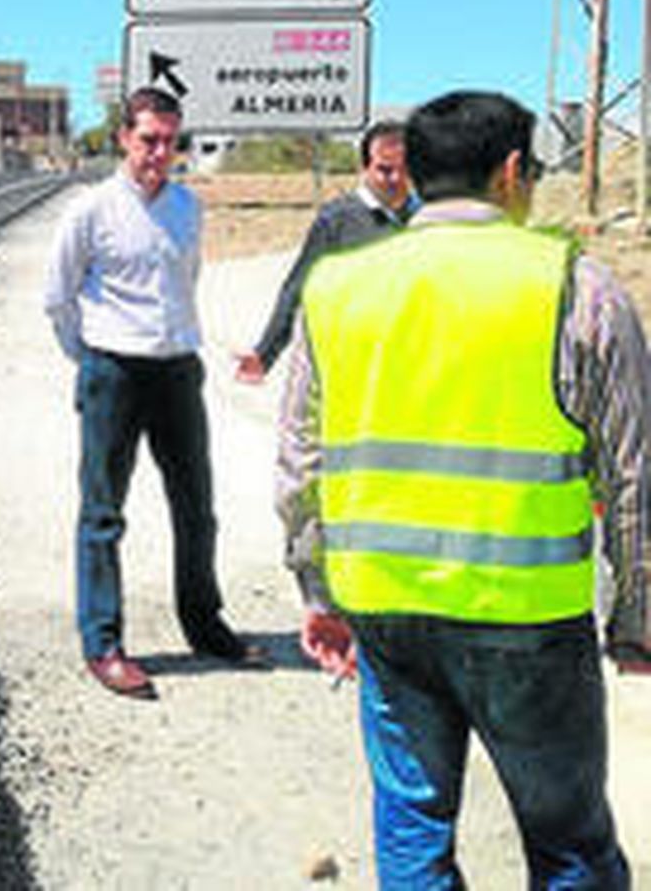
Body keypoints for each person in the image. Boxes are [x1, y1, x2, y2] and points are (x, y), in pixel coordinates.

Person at [277, 90, 651, 888]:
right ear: (512, 172)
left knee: (413, 832)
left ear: (413, 170)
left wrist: (318, 591)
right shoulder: (576, 290)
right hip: (528, 622)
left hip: (386, 614)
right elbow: (632, 479)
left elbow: (299, 465)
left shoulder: (339, 290)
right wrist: (636, 621)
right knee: (569, 844)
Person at [45, 86, 264, 701]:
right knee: (103, 514)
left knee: (197, 507)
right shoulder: (89, 211)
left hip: (176, 370)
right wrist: (91, 357)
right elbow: (57, 297)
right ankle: (104, 643)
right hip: (113, 371)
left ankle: (205, 623)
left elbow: (185, 282)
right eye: (148, 140)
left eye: (170, 141)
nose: (159, 153)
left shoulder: (187, 208)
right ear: (123, 138)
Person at [235, 121, 416, 384]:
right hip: (349, 365)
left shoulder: (425, 218)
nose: (396, 179)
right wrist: (265, 354)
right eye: (385, 170)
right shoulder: (337, 219)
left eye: (404, 170)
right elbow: (298, 289)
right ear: (364, 168)